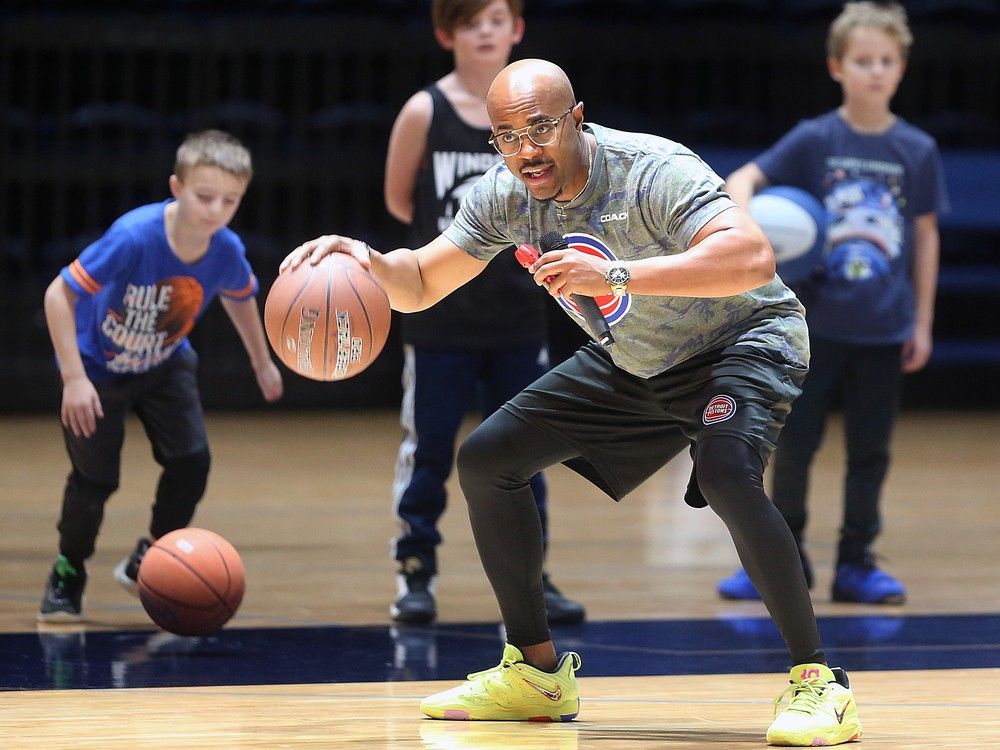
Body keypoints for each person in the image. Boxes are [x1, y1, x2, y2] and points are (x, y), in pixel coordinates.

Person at [284, 59, 862, 746]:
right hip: (641, 357)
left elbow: (753, 258)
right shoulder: (504, 194)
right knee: (487, 458)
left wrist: (616, 273)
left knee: (726, 472)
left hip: (741, 338)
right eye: (506, 135)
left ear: (576, 119)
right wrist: (368, 263)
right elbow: (419, 282)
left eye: (539, 128)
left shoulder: (651, 170)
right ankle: (536, 675)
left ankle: (819, 683)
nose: (525, 150)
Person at [717, 1, 948, 606]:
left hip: (882, 328)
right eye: (863, 60)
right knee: (795, 448)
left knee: (870, 452)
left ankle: (857, 562)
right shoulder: (817, 137)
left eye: (886, 61)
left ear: (901, 69)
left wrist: (921, 321)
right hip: (811, 328)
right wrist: (745, 218)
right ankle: (780, 563)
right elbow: (742, 178)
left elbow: (924, 236)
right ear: (837, 66)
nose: (875, 71)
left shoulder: (917, 149)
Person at [382, 0, 583, 625]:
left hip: (519, 316)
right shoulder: (426, 110)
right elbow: (398, 201)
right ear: (448, 33)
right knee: (431, 452)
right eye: (472, 22)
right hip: (440, 321)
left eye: (498, 19)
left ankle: (535, 577)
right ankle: (416, 572)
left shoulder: (537, 116)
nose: (487, 31)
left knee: (529, 451)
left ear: (517, 29)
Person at [38, 129, 283, 623]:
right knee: (95, 481)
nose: (215, 210)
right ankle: (68, 570)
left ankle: (148, 557)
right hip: (98, 370)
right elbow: (56, 295)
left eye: (229, 200)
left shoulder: (226, 251)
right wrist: (73, 379)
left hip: (165, 363)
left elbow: (240, 299)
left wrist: (262, 360)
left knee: (192, 462)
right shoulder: (135, 237)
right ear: (176, 187)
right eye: (204, 196)